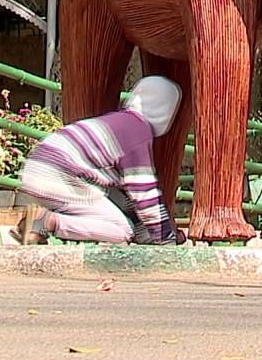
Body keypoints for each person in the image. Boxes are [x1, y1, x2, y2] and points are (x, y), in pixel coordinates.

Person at [12, 76, 183, 245]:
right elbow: (144, 195)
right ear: (166, 109)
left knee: (116, 210)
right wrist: (165, 237)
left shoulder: (120, 122)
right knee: (122, 230)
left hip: (39, 167)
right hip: (60, 176)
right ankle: (47, 222)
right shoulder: (138, 132)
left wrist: (149, 232)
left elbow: (123, 200)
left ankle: (32, 228)